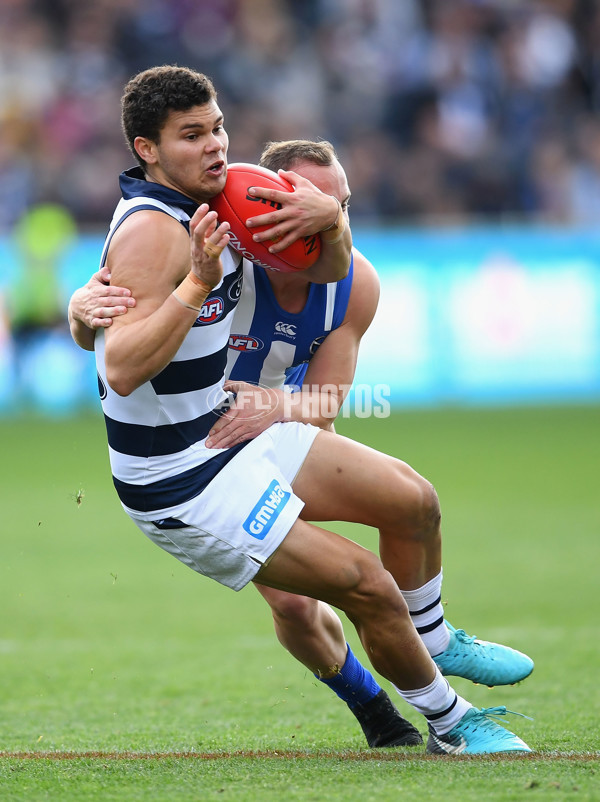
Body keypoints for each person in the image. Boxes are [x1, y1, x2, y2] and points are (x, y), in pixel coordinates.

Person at [68, 65, 532, 755]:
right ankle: (450, 722)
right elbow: (123, 367)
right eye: (191, 135)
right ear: (147, 149)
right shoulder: (158, 232)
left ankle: (435, 638)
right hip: (183, 477)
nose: (215, 145)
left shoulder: (222, 202)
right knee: (363, 586)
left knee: (411, 499)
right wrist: (182, 284)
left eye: (218, 127)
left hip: (230, 426)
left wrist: (331, 223)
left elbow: (324, 276)